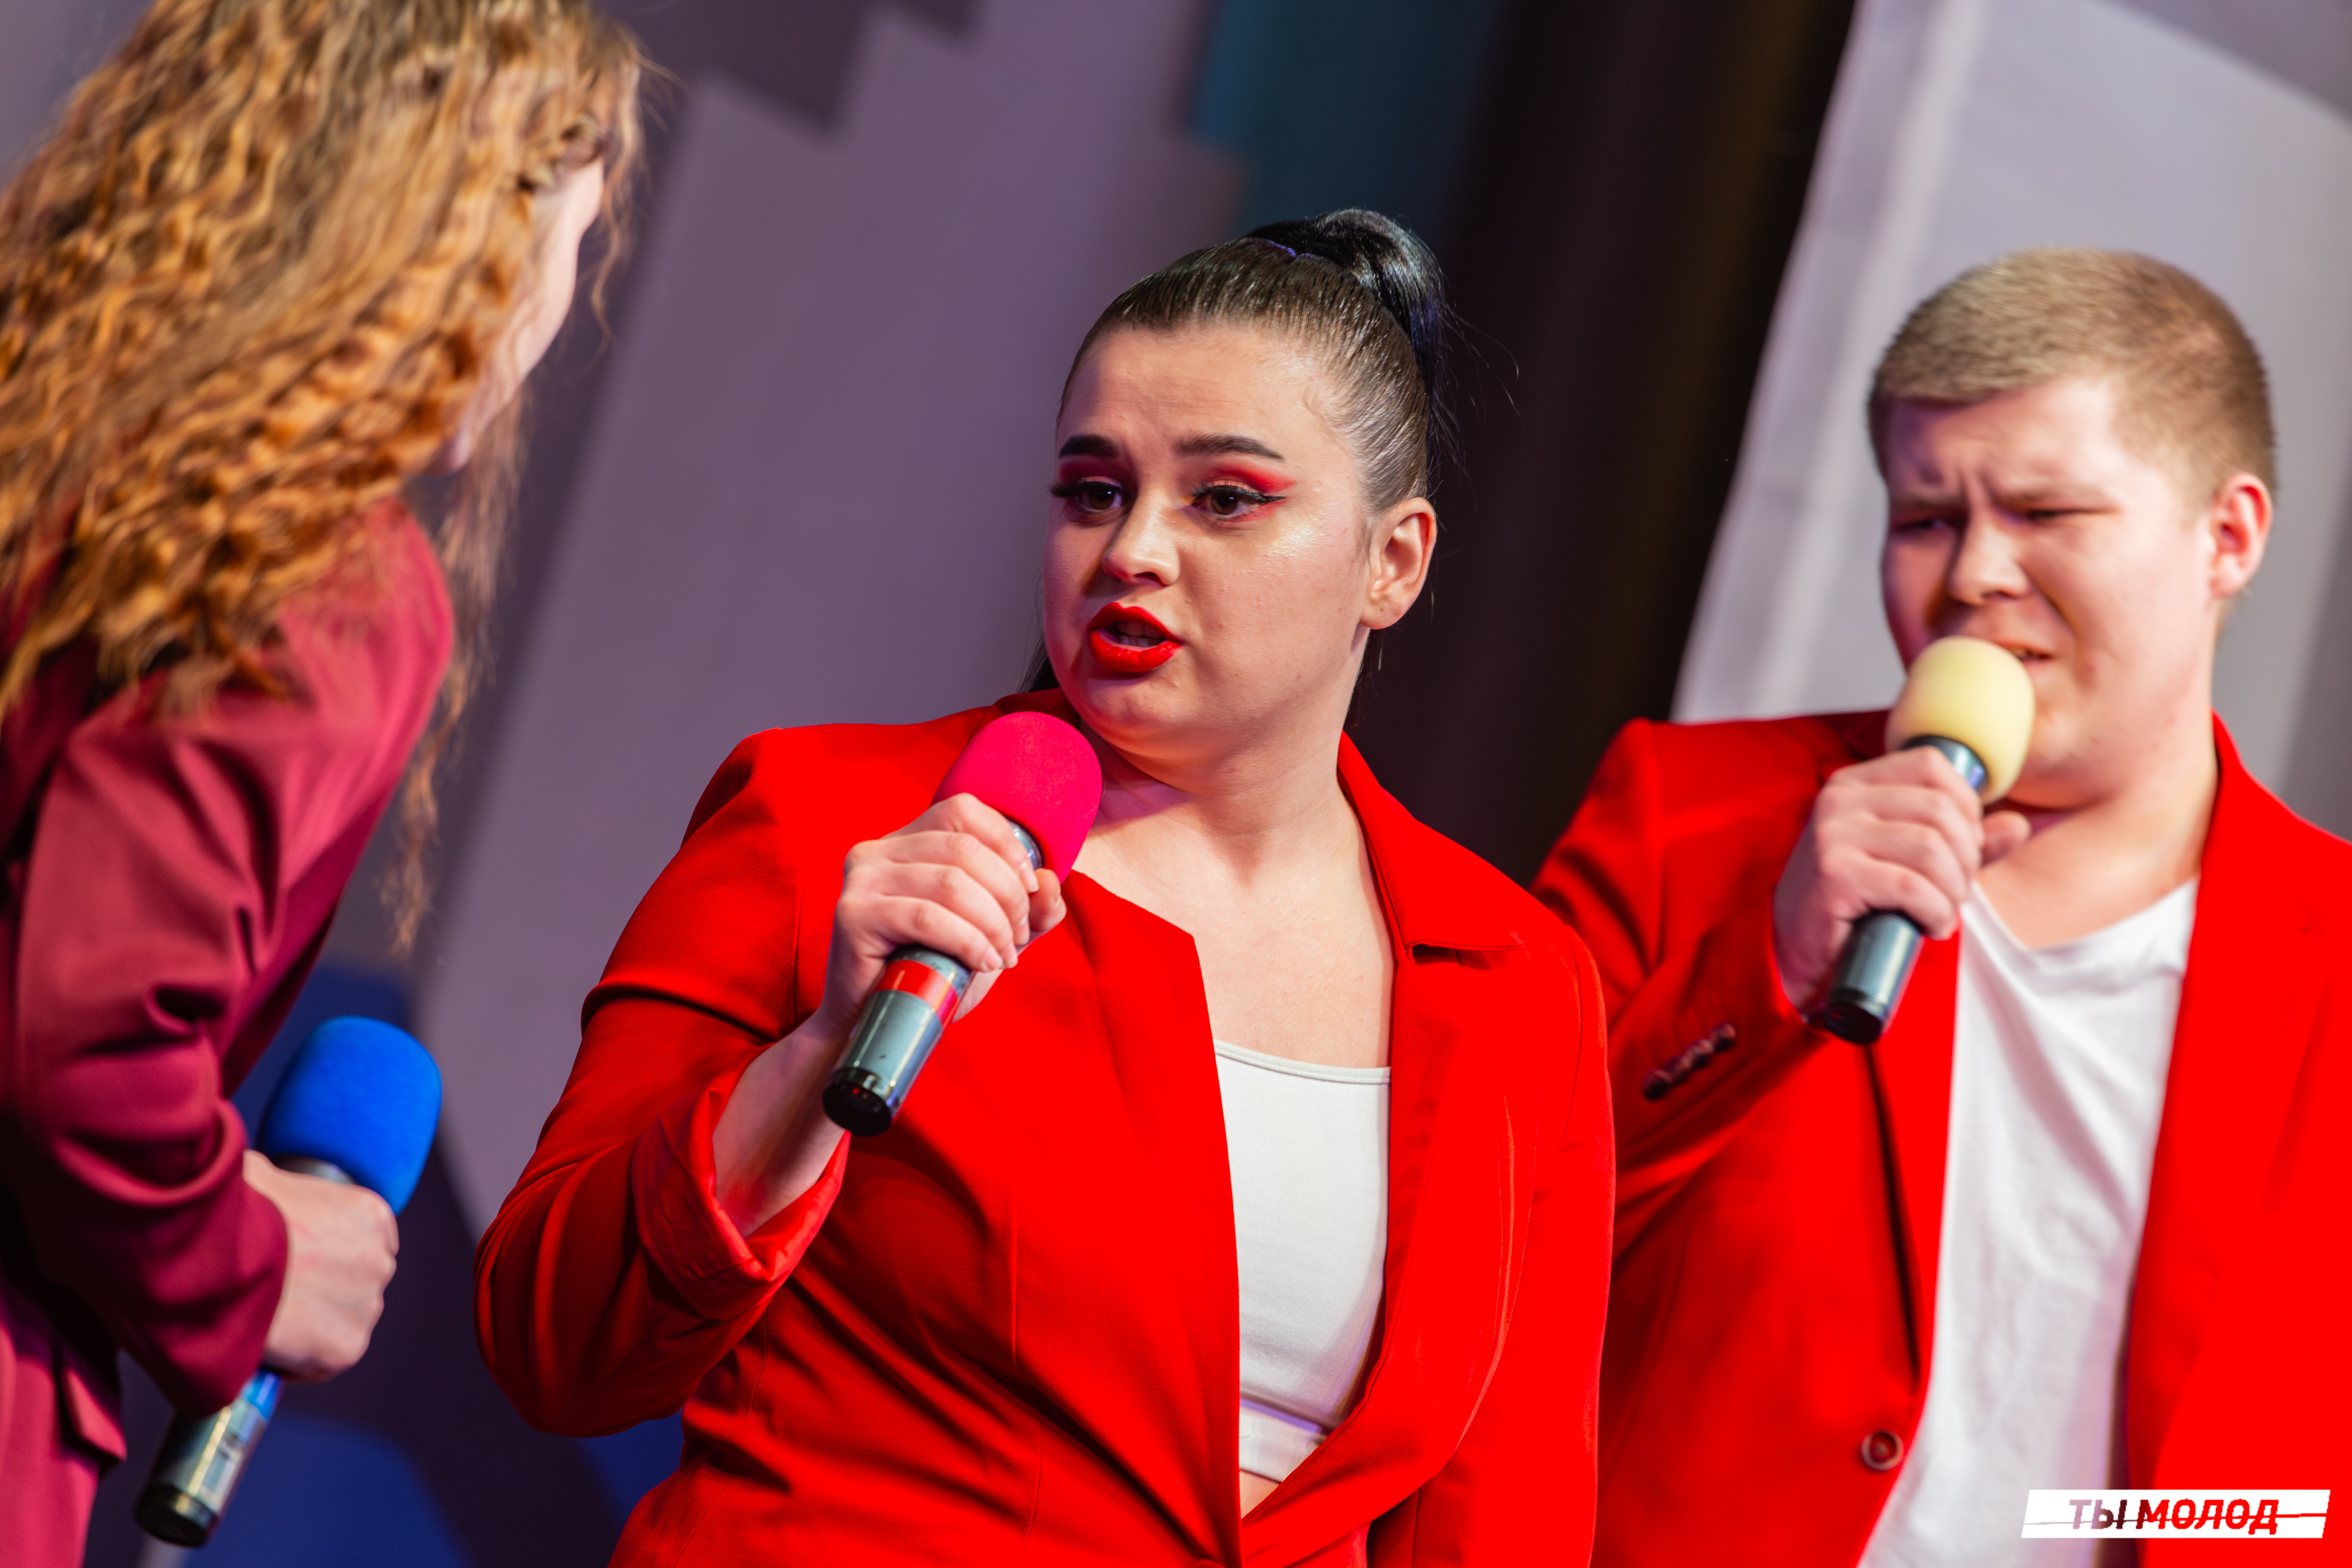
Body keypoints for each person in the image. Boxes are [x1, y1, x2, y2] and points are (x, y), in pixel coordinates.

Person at [477, 210, 1614, 1566]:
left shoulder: (1520, 983)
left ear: (1394, 562)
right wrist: (817, 1054)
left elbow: (1504, 1515)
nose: (1133, 550)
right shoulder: (832, 820)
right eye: (1093, 490)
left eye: (1226, 499)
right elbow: (553, 1345)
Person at [1535, 248, 2351, 1565]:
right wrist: (1766, 968)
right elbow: (1484, 1248)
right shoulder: (1687, 815)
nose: (1973, 574)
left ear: (2229, 536)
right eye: (1925, 518)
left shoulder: (2333, 956)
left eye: (2044, 511)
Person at [0, 2, 642, 1559]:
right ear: (469, 225)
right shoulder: (311, 569)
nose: (560, 305)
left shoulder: (49, 445)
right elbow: (81, 1046)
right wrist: (253, 1259)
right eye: (574, 239)